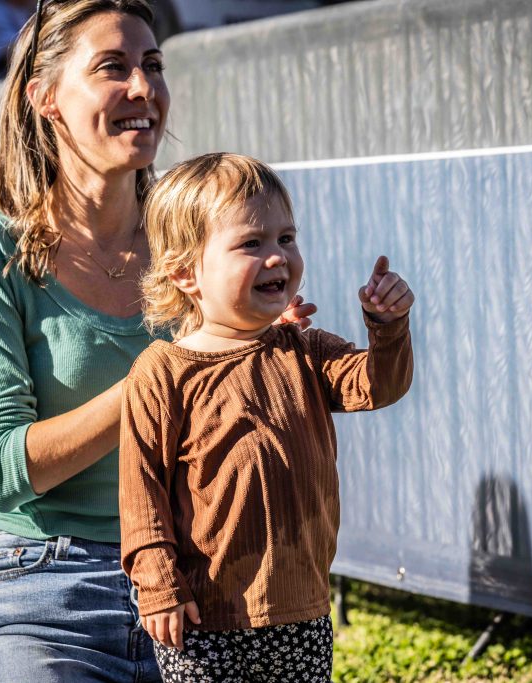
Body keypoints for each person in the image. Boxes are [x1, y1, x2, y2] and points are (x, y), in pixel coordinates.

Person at [0, 2, 316, 680]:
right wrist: (166, 377)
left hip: (205, 582)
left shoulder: (202, 241)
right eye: (113, 67)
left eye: (153, 65)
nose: (144, 88)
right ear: (45, 98)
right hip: (49, 589)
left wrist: (265, 359)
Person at [119, 153, 415, 682]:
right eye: (251, 243)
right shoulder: (162, 372)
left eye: (286, 237)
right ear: (185, 272)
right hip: (204, 620)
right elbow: (142, 495)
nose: (278, 256)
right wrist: (158, 584)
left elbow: (379, 384)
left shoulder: (304, 350)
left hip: (300, 609)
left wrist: (386, 326)